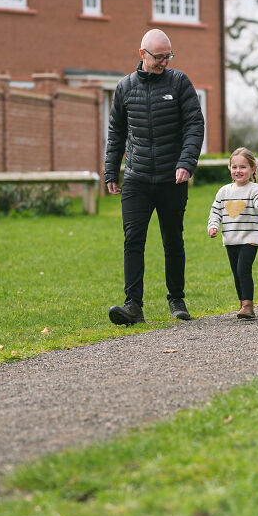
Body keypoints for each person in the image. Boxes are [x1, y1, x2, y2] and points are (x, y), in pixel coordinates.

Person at [104, 29, 205, 326]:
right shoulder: (124, 87)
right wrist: (111, 169)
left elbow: (194, 126)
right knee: (133, 239)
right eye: (159, 57)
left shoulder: (179, 82)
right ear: (142, 54)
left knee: (172, 239)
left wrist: (186, 162)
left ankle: (176, 299)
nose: (164, 62)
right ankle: (133, 305)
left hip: (171, 177)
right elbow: (116, 133)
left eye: (168, 56)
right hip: (136, 177)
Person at [207, 147, 258, 320]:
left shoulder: (255, 188)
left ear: (252, 169)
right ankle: (242, 303)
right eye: (234, 167)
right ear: (229, 168)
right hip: (230, 239)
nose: (238, 171)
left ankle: (248, 306)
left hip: (250, 238)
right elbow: (215, 212)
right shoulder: (224, 191)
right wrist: (213, 226)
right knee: (236, 272)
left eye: (243, 167)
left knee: (243, 269)